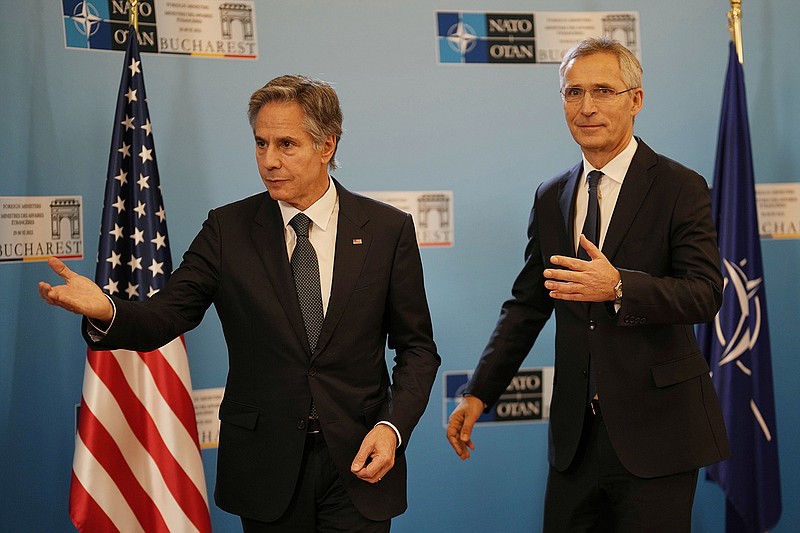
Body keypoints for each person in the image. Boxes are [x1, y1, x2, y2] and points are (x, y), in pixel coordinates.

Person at [40, 74, 440, 532]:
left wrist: (391, 430)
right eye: (261, 143)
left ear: (326, 145)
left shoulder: (387, 231)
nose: (269, 160)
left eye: (286, 144)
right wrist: (108, 310)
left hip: (357, 462)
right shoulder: (228, 230)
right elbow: (167, 314)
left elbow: (418, 350)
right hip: (267, 467)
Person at [446, 38, 730, 532]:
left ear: (635, 100)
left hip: (657, 435)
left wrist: (620, 286)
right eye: (574, 93)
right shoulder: (552, 194)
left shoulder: (679, 187)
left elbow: (705, 293)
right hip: (575, 442)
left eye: (603, 90)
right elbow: (527, 305)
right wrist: (479, 392)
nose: (587, 107)